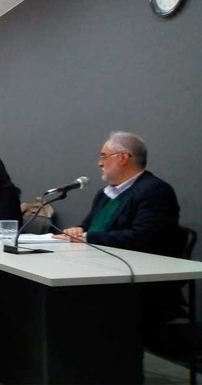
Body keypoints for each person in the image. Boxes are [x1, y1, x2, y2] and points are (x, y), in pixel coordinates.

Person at [53, 131, 183, 327]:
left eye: (103, 156)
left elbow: (144, 238)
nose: (99, 163)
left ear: (122, 158)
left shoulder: (154, 190)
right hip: (98, 269)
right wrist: (76, 231)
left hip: (135, 282)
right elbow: (87, 227)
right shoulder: (105, 194)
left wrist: (87, 237)